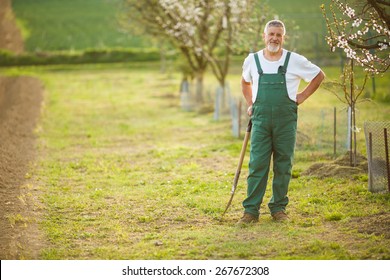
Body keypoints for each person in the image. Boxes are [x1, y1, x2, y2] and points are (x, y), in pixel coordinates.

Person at [238, 19, 325, 224]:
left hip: (285, 121)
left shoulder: (294, 60)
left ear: (283, 37)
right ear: (264, 36)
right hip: (260, 120)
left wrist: (302, 96)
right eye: (271, 34)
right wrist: (251, 102)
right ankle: (250, 212)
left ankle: (278, 209)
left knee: (283, 165)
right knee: (257, 165)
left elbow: (319, 75)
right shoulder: (253, 60)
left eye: (278, 35)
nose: (274, 38)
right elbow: (244, 82)